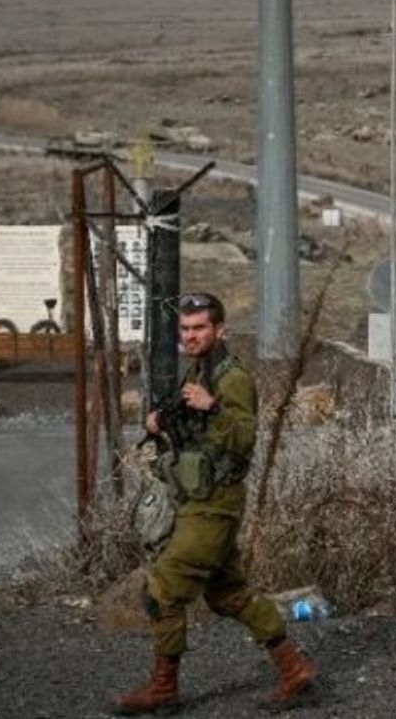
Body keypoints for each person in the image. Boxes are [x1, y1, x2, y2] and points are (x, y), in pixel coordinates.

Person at [114, 292, 317, 713]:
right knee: (228, 595)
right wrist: (160, 423)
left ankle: (164, 689)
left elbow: (243, 438)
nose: (190, 336)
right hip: (197, 501)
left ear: (219, 330)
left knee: (163, 592)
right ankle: (293, 669)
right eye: (185, 329)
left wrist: (214, 406)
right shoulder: (200, 369)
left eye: (199, 328)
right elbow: (196, 432)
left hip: (214, 505)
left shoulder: (231, 378)